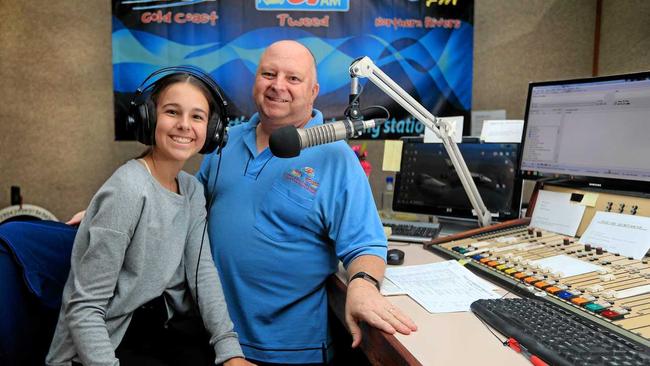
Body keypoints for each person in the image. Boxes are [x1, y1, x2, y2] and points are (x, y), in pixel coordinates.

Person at [196, 40, 417, 364]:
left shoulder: (335, 156)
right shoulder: (223, 144)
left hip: (289, 352)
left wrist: (363, 284)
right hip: (216, 339)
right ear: (255, 80)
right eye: (268, 74)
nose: (277, 86)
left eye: (293, 78)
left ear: (313, 91)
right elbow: (187, 211)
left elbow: (366, 244)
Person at [47, 69, 253, 366]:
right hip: (106, 346)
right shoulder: (127, 190)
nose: (184, 125)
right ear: (148, 117)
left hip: (161, 332)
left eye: (197, 117)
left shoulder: (192, 190)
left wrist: (229, 350)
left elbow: (203, 274)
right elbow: (84, 308)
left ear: (213, 129)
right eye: (172, 112)